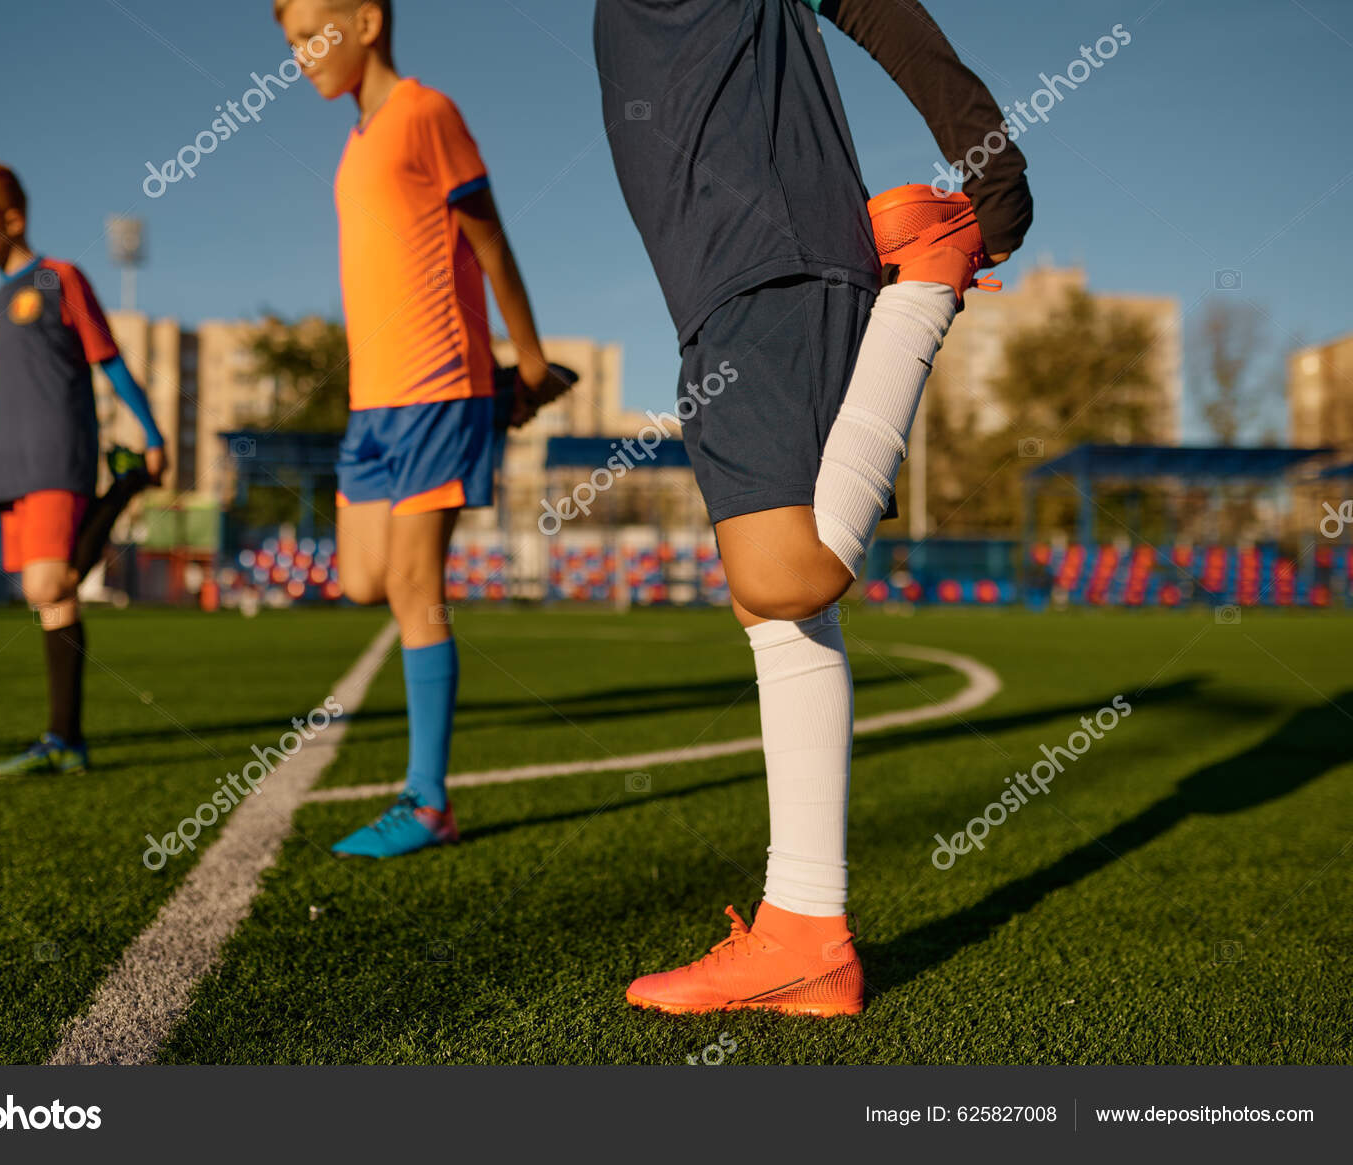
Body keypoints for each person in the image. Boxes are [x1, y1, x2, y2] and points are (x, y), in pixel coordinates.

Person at [594, 0, 1033, 1014]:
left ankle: (929, 271)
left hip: (769, 252)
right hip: (731, 271)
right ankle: (805, 937)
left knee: (783, 573)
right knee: (776, 608)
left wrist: (988, 175)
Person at [273, 0, 555, 856]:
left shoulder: (426, 114)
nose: (301, 58)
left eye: (313, 34)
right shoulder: (355, 144)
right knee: (362, 579)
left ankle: (429, 802)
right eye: (290, 44)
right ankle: (427, 797)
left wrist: (531, 363)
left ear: (365, 20)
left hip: (441, 389)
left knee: (411, 587)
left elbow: (492, 242)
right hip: (372, 405)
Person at [0, 163, 167, 776]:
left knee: (46, 585)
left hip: (61, 452)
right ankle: (65, 741)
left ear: (11, 221)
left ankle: (130, 481)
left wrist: (154, 433)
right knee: (52, 604)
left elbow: (107, 359)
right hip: (12, 466)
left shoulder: (60, 280)